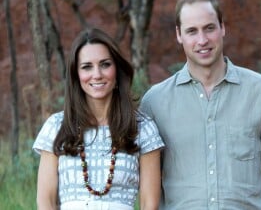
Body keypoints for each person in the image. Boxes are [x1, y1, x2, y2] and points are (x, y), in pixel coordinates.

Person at [140, 0, 261, 210]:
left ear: (222, 27)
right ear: (179, 35)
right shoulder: (154, 102)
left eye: (209, 28)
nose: (202, 40)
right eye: (192, 31)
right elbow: (147, 181)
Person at [33, 27, 164, 210]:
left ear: (117, 70)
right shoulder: (57, 127)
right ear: (76, 76)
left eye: (105, 64)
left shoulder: (142, 128)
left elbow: (149, 205)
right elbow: (46, 202)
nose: (97, 74)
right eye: (87, 67)